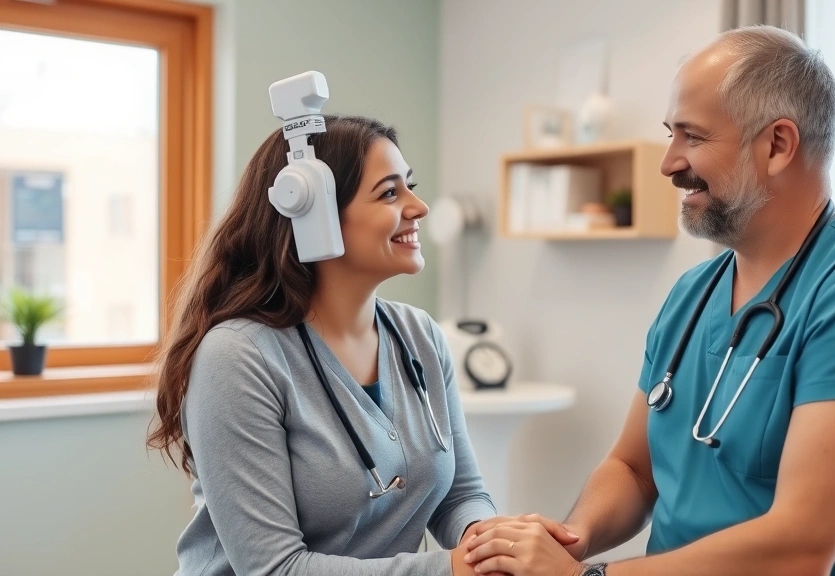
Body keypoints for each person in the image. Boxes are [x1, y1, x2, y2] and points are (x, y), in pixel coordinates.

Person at [462, 25, 835, 576]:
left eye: (692, 137)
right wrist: (566, 542)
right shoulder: (693, 295)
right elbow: (633, 469)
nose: (668, 162)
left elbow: (801, 547)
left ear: (777, 145)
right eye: (670, 135)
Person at [146, 114, 575, 575]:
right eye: (390, 193)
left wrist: (492, 546)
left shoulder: (421, 335)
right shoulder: (238, 358)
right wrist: (450, 569)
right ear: (315, 216)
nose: (419, 207)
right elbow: (274, 569)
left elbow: (461, 495)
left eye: (410, 186)